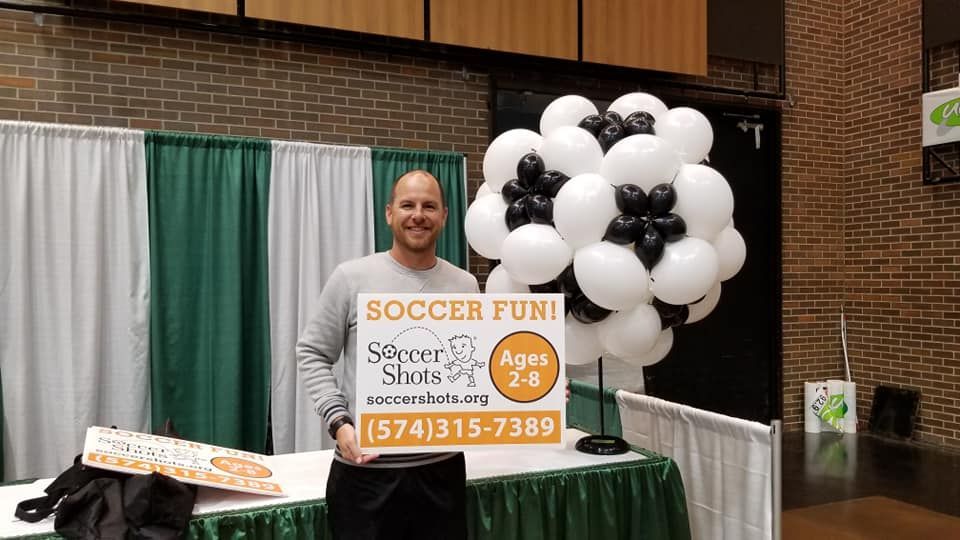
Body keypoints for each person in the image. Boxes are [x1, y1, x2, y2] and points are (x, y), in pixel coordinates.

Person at [297, 169, 478, 540]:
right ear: (389, 213)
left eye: (429, 206)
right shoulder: (350, 278)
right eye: (407, 205)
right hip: (365, 475)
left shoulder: (465, 285)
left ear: (444, 215)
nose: (418, 215)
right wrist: (339, 422)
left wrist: (538, 393)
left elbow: (476, 368)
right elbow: (312, 352)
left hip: (442, 474)